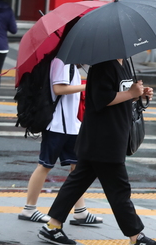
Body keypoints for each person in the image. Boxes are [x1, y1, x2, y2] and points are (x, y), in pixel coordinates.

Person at [37, 58, 156, 245]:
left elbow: (119, 95)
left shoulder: (125, 63)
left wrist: (138, 94)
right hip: (104, 139)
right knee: (119, 190)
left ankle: (52, 227)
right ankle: (136, 238)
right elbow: (100, 99)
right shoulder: (103, 64)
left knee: (77, 182)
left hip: (111, 136)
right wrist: (131, 93)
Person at [19, 58, 102, 226]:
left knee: (77, 168)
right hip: (57, 125)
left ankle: (80, 212)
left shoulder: (70, 63)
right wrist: (88, 86)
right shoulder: (62, 62)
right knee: (45, 165)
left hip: (71, 126)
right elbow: (58, 89)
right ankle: (29, 209)